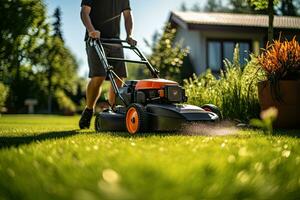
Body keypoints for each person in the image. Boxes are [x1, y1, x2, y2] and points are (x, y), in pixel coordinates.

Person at [79, 0, 137, 129]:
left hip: (115, 41)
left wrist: (129, 35)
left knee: (119, 77)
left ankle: (113, 112)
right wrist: (91, 30)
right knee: (98, 76)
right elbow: (84, 12)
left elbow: (127, 15)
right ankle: (89, 109)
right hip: (95, 39)